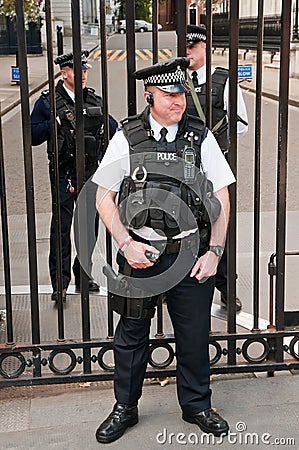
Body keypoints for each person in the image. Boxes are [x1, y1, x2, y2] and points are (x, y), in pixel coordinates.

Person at [92, 57, 235, 444]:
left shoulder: (200, 136)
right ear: (148, 96)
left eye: (182, 94)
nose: (178, 101)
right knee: (132, 334)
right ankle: (125, 407)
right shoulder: (128, 136)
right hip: (142, 256)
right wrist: (125, 244)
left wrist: (215, 252)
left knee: (193, 334)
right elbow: (103, 196)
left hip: (191, 254)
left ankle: (197, 406)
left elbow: (222, 195)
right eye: (169, 94)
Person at [31, 50, 118, 302]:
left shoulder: (94, 100)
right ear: (64, 72)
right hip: (64, 171)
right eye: (76, 69)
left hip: (91, 170)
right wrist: (54, 123)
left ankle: (83, 274)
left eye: (85, 69)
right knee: (61, 226)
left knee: (89, 225)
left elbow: (113, 128)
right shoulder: (48, 102)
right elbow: (33, 135)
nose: (82, 74)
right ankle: (60, 283)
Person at [186, 24, 248, 312]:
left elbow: (241, 123)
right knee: (181, 224)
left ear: (204, 48)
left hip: (214, 168)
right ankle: (177, 283)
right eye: (184, 47)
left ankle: (226, 287)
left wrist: (213, 141)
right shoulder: (176, 81)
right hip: (183, 169)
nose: (188, 52)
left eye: (192, 47)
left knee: (221, 225)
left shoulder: (223, 80)